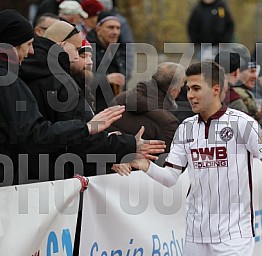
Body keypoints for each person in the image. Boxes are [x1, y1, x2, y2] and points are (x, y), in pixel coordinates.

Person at [114, 61, 262, 256]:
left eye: (196, 89)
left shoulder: (244, 123)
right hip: (196, 235)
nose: (189, 95)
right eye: (188, 89)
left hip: (234, 235)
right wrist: (144, 165)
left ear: (215, 90)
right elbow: (170, 177)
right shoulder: (185, 128)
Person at [18, 20, 166, 180]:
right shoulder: (61, 82)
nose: (76, 57)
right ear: (61, 46)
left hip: (21, 176)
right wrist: (129, 145)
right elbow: (80, 139)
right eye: (76, 50)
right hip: (53, 179)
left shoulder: (19, 73)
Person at [0, 9, 130, 185]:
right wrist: (88, 129)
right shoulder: (15, 79)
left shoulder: (19, 75)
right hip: (33, 183)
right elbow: (34, 134)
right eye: (78, 51)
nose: (31, 51)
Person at [109, 62, 185, 152]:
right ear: (173, 91)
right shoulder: (167, 122)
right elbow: (167, 160)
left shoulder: (120, 98)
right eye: (181, 87)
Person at [86, 10, 126, 112]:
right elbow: (80, 83)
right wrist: (106, 79)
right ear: (98, 29)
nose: (115, 32)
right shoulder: (87, 50)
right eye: (110, 27)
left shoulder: (117, 48)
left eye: (118, 28)